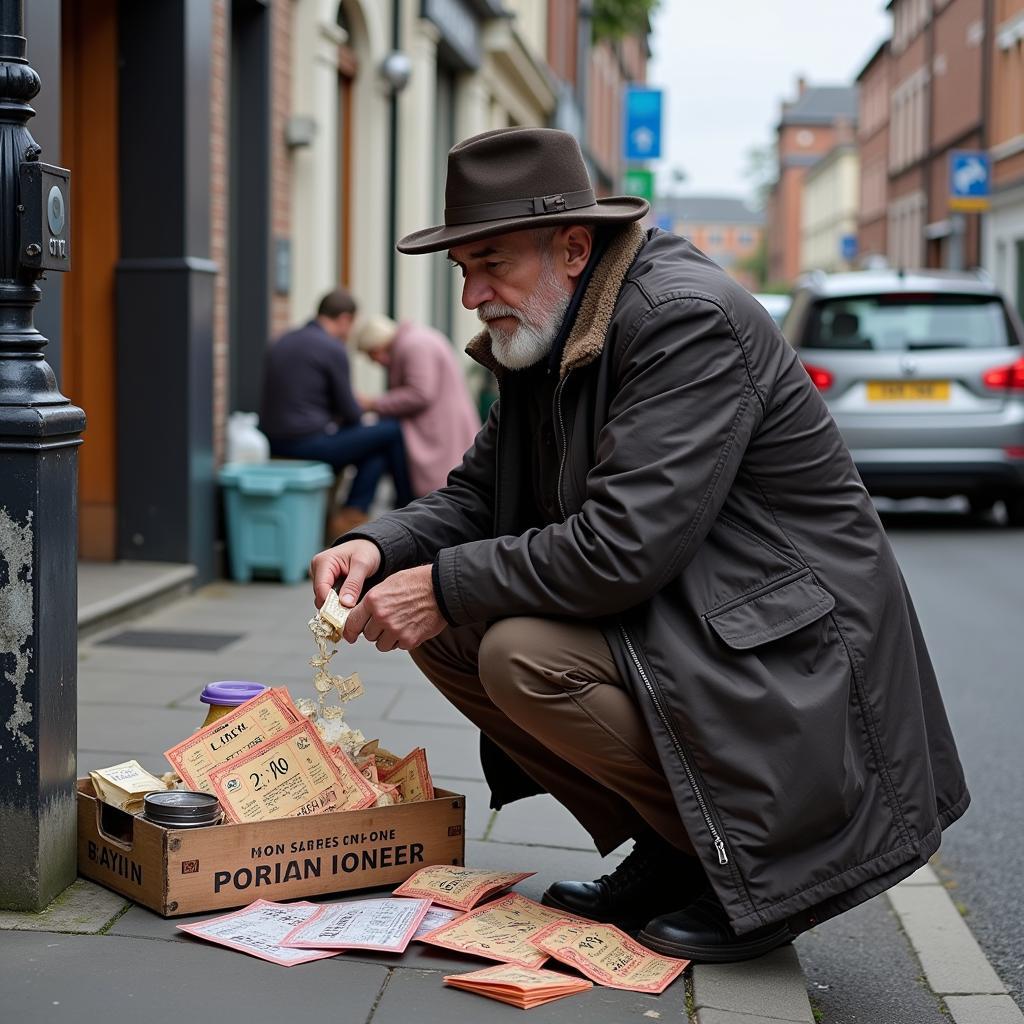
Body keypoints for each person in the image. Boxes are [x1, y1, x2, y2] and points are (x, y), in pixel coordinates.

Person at [309, 128, 969, 963]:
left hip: (795, 657)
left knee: (515, 650)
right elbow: (479, 495)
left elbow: (621, 550)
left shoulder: (682, 320)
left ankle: (751, 871)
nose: (473, 293)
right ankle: (679, 849)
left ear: (575, 247)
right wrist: (378, 545)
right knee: (447, 624)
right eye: (462, 269)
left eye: (490, 263)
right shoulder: (552, 324)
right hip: (694, 620)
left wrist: (442, 584)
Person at [259, 288, 413, 532]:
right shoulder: (332, 348)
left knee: (373, 449)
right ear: (344, 319)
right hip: (308, 443)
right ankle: (405, 508)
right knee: (391, 431)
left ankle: (353, 516)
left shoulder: (283, 339)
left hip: (273, 440)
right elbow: (351, 412)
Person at [352, 315, 481, 497]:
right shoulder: (416, 341)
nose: (375, 362)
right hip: (445, 423)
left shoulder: (414, 346)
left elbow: (420, 393)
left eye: (371, 355)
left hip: (439, 428)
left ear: (378, 346)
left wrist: (373, 404)